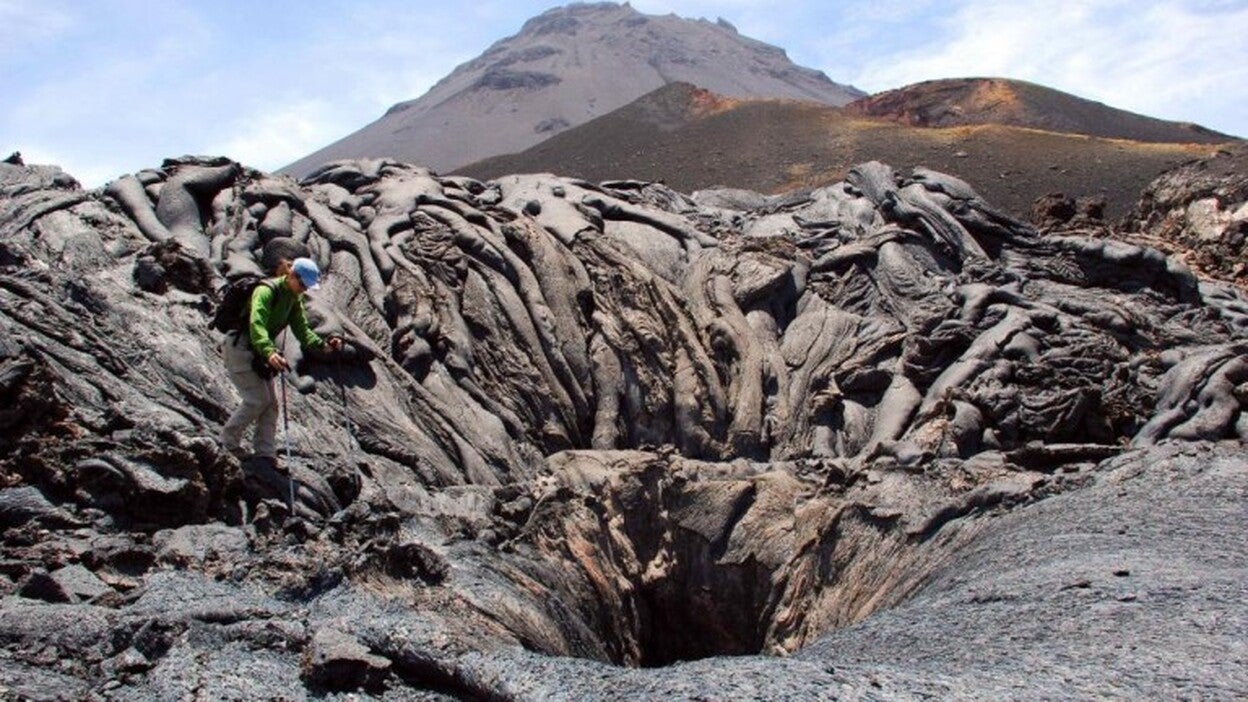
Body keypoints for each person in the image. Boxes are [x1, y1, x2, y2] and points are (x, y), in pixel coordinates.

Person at [219, 257, 342, 467]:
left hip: (261, 353)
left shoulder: (293, 298)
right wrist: (269, 352)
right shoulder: (266, 291)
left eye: (307, 287)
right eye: (302, 284)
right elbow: (256, 324)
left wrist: (324, 346)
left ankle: (265, 453)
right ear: (291, 275)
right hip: (240, 347)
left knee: (271, 404)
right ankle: (228, 444)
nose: (304, 290)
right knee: (256, 400)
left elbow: (302, 331)